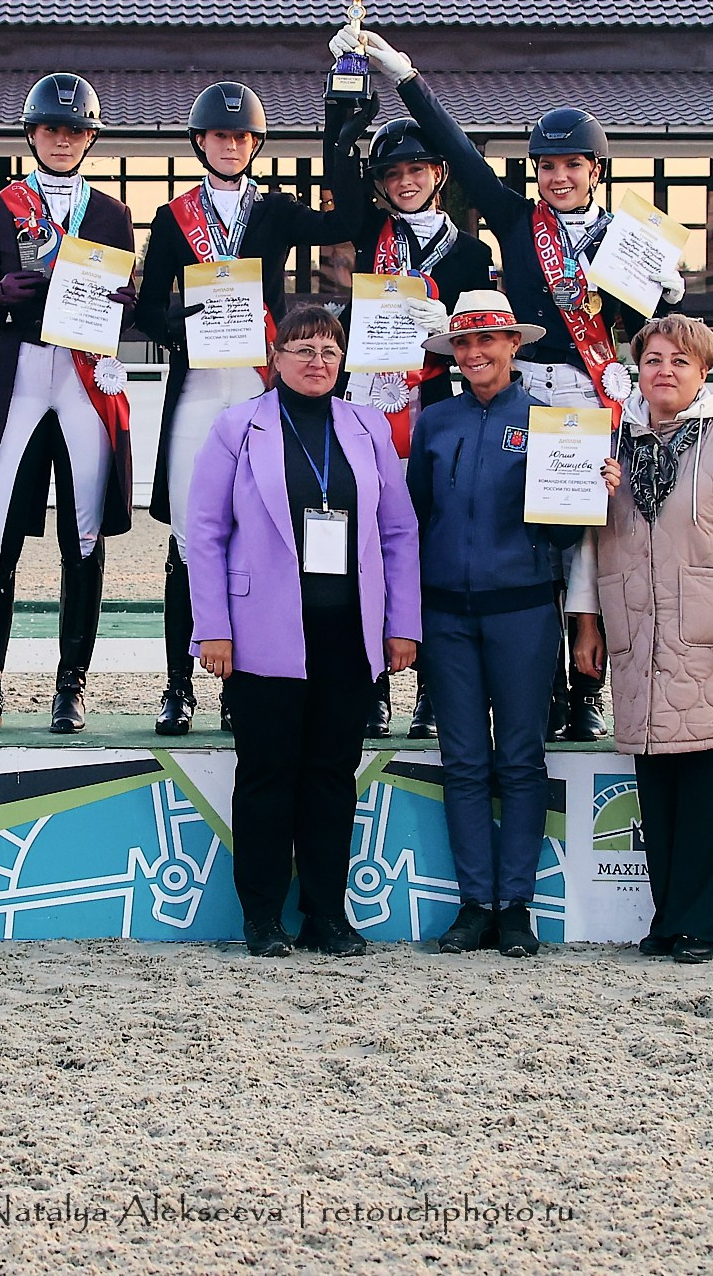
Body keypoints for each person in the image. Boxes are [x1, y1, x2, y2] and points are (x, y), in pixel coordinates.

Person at [333, 24, 671, 744]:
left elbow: (655, 324)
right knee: (529, 534)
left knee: (584, 540)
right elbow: (456, 148)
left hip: (589, 391)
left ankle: (582, 689)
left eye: (572, 166)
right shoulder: (517, 220)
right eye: (547, 166)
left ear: (595, 171)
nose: (558, 177)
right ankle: (540, 684)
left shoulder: (628, 237)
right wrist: (408, 79)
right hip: (529, 390)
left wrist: (666, 295)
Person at [185, 304, 420, 958]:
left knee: (332, 777)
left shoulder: (369, 426)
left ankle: (326, 913)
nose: (317, 359)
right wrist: (214, 629)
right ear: (275, 356)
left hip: (349, 634)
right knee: (266, 775)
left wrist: (402, 624)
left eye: (328, 348)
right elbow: (204, 534)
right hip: (261, 633)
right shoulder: (238, 427)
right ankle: (263, 916)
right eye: (302, 347)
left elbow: (399, 532)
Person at [133, 82, 365, 737]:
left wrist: (342, 144)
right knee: (188, 538)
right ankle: (179, 685)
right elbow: (149, 305)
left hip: (262, 383)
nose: (230, 145)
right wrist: (182, 323)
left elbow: (348, 224)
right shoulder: (171, 215)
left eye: (241, 137)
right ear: (200, 141)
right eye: (219, 135)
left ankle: (244, 681)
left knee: (260, 534)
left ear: (254, 144)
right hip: (200, 385)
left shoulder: (278, 211)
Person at [566, 315, 713, 962]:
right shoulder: (616, 450)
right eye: (653, 359)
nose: (664, 370)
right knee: (660, 795)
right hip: (642, 644)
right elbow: (588, 544)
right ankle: (670, 916)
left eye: (678, 361)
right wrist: (586, 621)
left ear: (703, 372)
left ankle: (702, 922)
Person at [0, 74, 136, 736]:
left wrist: (127, 305)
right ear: (32, 134)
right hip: (22, 369)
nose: (63, 139)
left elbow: (124, 301)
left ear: (89, 138)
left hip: (85, 373)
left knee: (83, 529)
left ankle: (71, 684)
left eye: (75, 130)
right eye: (52, 128)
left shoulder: (111, 214)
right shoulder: (0, 208)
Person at [406, 290, 583, 958]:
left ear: (515, 345)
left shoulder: (549, 422)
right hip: (447, 610)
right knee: (464, 761)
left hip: (524, 608)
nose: (475, 353)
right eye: (464, 343)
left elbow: (566, 530)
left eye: (489, 340)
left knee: (520, 758)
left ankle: (516, 905)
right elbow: (417, 519)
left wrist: (592, 485)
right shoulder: (435, 423)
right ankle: (474, 902)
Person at [319, 87, 470, 737]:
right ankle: (371, 686)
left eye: (416, 169)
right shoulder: (367, 233)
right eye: (393, 173)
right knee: (364, 550)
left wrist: (454, 327)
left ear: (438, 174)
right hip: (368, 408)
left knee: (431, 549)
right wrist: (340, 124)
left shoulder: (470, 252)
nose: (405, 181)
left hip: (432, 405)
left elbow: (486, 347)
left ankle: (431, 693)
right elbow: (337, 183)